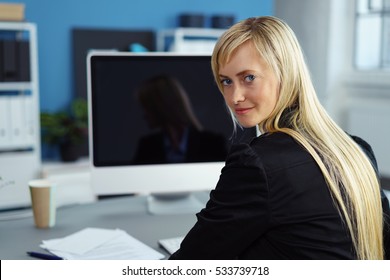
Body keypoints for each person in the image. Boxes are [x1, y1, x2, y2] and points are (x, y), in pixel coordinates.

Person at [169, 16, 390, 260]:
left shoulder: (257, 163)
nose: (234, 97)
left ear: (285, 74)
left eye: (248, 78)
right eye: (226, 81)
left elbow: (190, 261)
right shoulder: (357, 149)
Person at [133, 75, 227, 164]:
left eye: (146, 107)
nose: (144, 114)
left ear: (161, 106)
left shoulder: (212, 144)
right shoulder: (147, 147)